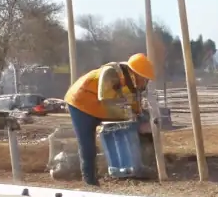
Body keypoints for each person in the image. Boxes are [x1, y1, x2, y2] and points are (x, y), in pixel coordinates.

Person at [63, 53, 155, 186]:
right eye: (145, 78)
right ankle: (90, 180)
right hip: (80, 103)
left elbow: (135, 106)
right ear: (136, 73)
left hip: (100, 107)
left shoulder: (133, 84)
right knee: (87, 143)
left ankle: (135, 165)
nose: (146, 82)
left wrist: (140, 118)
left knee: (137, 124)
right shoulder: (111, 73)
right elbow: (106, 101)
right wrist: (131, 117)